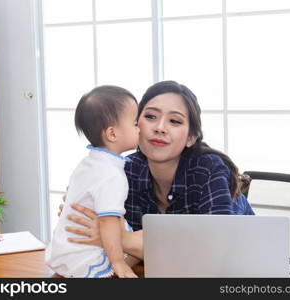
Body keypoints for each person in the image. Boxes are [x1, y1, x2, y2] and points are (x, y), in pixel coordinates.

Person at [60, 80, 254, 262]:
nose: (160, 128)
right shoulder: (124, 170)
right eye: (150, 117)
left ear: (191, 137)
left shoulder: (209, 168)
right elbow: (131, 247)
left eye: (175, 121)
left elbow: (212, 249)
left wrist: (115, 237)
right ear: (135, 125)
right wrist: (84, 209)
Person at [45, 85, 140, 278]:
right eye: (135, 123)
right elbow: (108, 221)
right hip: (84, 257)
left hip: (63, 250)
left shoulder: (89, 162)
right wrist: (118, 262)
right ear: (112, 134)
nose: (140, 128)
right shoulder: (112, 175)